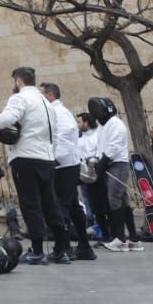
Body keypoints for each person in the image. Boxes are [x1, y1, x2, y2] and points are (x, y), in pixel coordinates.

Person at [0, 67, 71, 264]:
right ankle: (61, 249)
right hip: (47, 158)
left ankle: (37, 250)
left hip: (26, 157)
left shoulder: (20, 98)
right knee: (51, 203)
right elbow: (54, 132)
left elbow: (8, 117)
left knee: (31, 204)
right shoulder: (46, 102)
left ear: (19, 81)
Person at [42, 84, 96, 260]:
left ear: (50, 95)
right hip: (65, 165)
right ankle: (84, 246)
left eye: (42, 94)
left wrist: (53, 159)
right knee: (73, 206)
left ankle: (63, 247)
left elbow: (65, 137)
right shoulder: (56, 112)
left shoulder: (59, 113)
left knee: (60, 206)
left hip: (63, 167)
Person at [88, 99, 140, 252]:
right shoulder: (102, 127)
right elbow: (101, 146)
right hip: (109, 165)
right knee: (122, 200)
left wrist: (103, 162)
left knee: (114, 199)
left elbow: (114, 147)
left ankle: (120, 239)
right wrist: (98, 161)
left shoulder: (116, 124)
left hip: (118, 164)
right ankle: (134, 239)